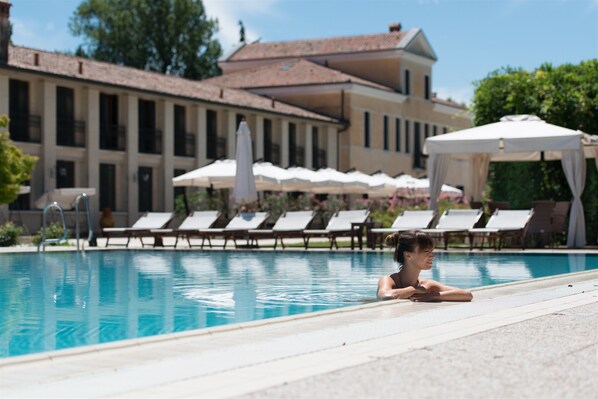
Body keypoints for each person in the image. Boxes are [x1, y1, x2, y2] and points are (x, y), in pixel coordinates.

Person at [377, 230, 473, 302]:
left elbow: (467, 295)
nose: (432, 256)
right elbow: (385, 295)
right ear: (408, 255)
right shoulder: (389, 280)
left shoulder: (426, 284)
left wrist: (434, 296)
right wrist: (415, 289)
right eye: (426, 251)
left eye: (432, 251)